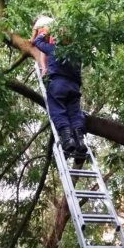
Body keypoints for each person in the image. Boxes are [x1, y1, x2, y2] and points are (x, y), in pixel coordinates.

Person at [30, 15, 87, 154]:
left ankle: (68, 140)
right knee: (74, 113)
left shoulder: (53, 49)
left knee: (58, 110)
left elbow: (36, 41)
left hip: (57, 83)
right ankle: (79, 142)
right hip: (74, 87)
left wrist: (46, 31)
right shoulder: (76, 54)